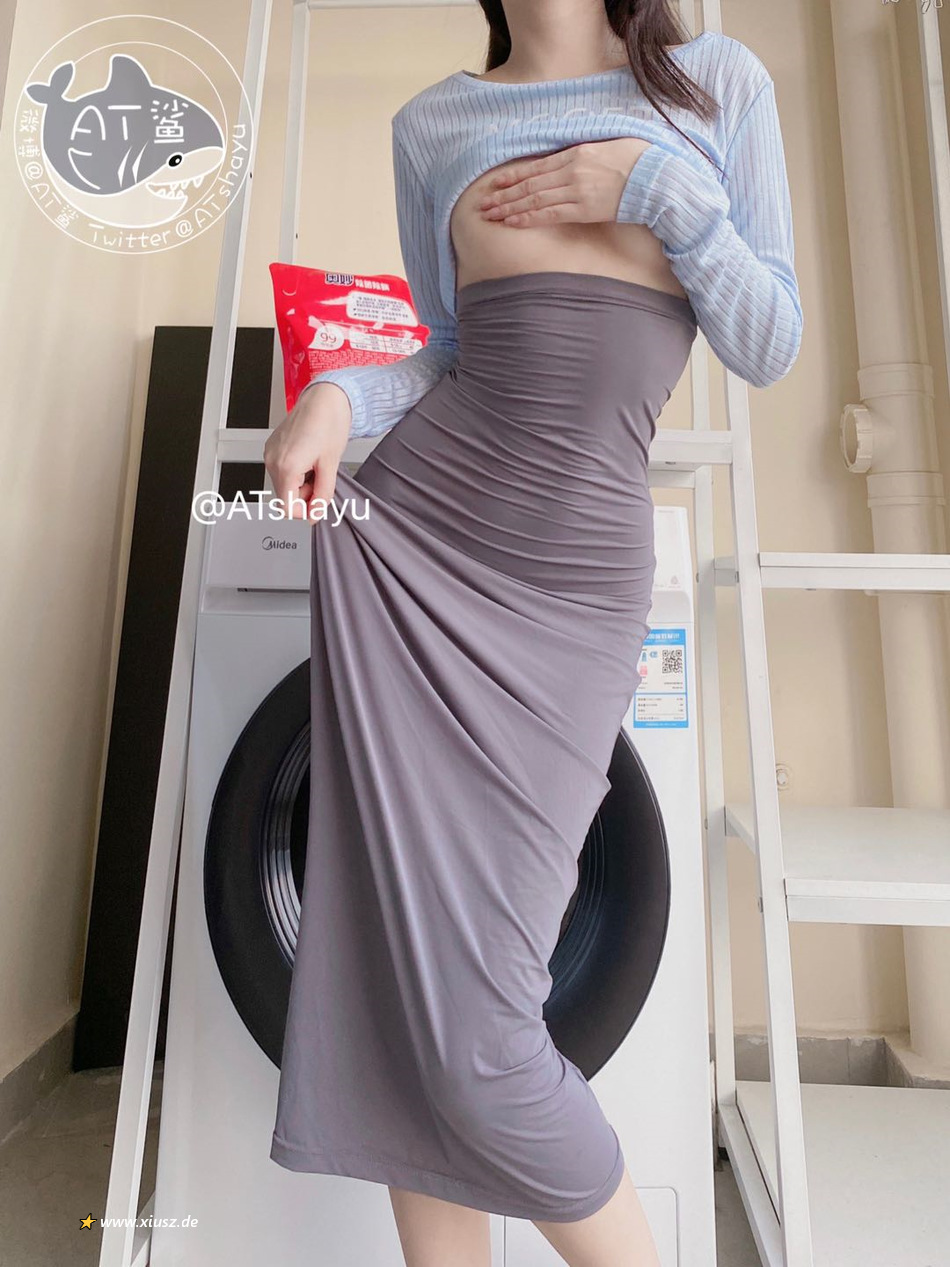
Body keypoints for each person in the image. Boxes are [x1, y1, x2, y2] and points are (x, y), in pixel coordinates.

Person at [263, 1, 802, 1264]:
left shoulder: (713, 82)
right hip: (415, 550)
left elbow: (767, 341)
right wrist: (333, 394)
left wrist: (652, 187)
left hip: (570, 587)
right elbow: (446, 353)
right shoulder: (434, 123)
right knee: (394, 988)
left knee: (483, 1035)